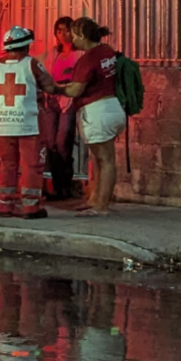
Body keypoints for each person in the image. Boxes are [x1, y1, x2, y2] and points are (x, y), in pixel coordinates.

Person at [0, 26, 59, 219]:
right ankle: (30, 208)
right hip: (29, 125)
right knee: (31, 165)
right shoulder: (31, 64)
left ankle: (5, 206)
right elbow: (50, 86)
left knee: (7, 165)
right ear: (26, 46)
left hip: (4, 124)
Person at [58, 17, 126, 216]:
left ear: (81, 35)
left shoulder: (87, 59)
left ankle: (101, 206)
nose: (70, 38)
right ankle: (95, 199)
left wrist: (54, 88)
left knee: (105, 160)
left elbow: (77, 89)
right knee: (99, 159)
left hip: (98, 111)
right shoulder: (106, 51)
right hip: (112, 107)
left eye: (73, 33)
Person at [40, 17, 81, 199]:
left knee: (63, 142)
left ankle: (65, 185)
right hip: (52, 101)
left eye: (66, 30)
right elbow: (45, 74)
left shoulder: (79, 55)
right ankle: (56, 186)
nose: (62, 34)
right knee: (51, 143)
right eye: (59, 31)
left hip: (68, 101)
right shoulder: (52, 54)